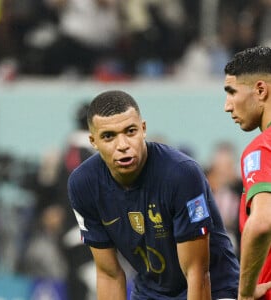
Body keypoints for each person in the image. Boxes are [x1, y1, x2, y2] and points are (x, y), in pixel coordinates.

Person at [67, 89, 240, 299]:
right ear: (93, 141)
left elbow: (197, 273)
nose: (123, 145)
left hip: (215, 288)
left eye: (130, 131)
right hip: (150, 292)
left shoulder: (181, 174)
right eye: (109, 136)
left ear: (143, 129)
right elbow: (109, 274)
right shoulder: (83, 184)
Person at [224, 46, 271, 300]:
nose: (227, 106)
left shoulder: (262, 148)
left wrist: (244, 292)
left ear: (260, 90)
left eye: (231, 92)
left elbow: (262, 222)